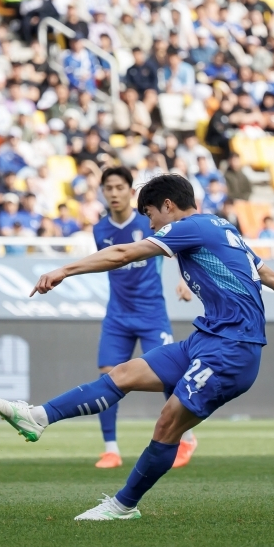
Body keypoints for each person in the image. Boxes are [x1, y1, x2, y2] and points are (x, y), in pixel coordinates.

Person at [0, 174, 274, 520]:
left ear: (168, 206)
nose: (151, 225)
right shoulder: (221, 227)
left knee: (167, 424)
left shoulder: (188, 227)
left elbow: (123, 253)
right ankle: (36, 418)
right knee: (123, 373)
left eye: (151, 215)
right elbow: (269, 275)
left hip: (232, 349)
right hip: (206, 339)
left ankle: (123, 505)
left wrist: (66, 269)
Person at [89, 166, 195, 469]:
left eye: (119, 187)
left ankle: (185, 440)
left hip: (151, 313)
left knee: (168, 376)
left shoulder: (149, 222)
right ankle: (111, 449)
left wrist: (184, 279)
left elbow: (181, 247)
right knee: (108, 377)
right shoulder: (100, 230)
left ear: (129, 191)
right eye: (108, 188)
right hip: (118, 316)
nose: (114, 193)